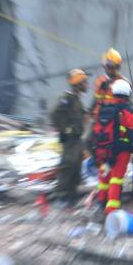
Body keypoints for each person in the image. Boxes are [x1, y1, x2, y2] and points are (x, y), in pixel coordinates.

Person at [92, 79, 133, 216]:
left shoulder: (105, 107)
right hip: (121, 151)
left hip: (104, 149)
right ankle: (111, 209)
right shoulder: (127, 110)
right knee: (116, 179)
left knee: (104, 177)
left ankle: (101, 201)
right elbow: (132, 132)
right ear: (127, 94)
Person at [50, 69, 89, 207]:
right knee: (68, 165)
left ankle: (71, 196)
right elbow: (55, 114)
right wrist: (66, 129)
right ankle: (61, 197)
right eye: (84, 82)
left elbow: (84, 115)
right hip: (70, 139)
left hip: (77, 139)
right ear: (78, 83)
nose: (87, 84)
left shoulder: (77, 99)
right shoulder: (67, 98)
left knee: (76, 166)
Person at [90, 48, 128, 117]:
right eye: (107, 66)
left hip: (115, 120)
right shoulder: (100, 80)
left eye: (111, 66)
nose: (108, 69)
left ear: (117, 67)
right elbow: (95, 101)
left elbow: (127, 105)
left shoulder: (123, 82)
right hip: (100, 121)